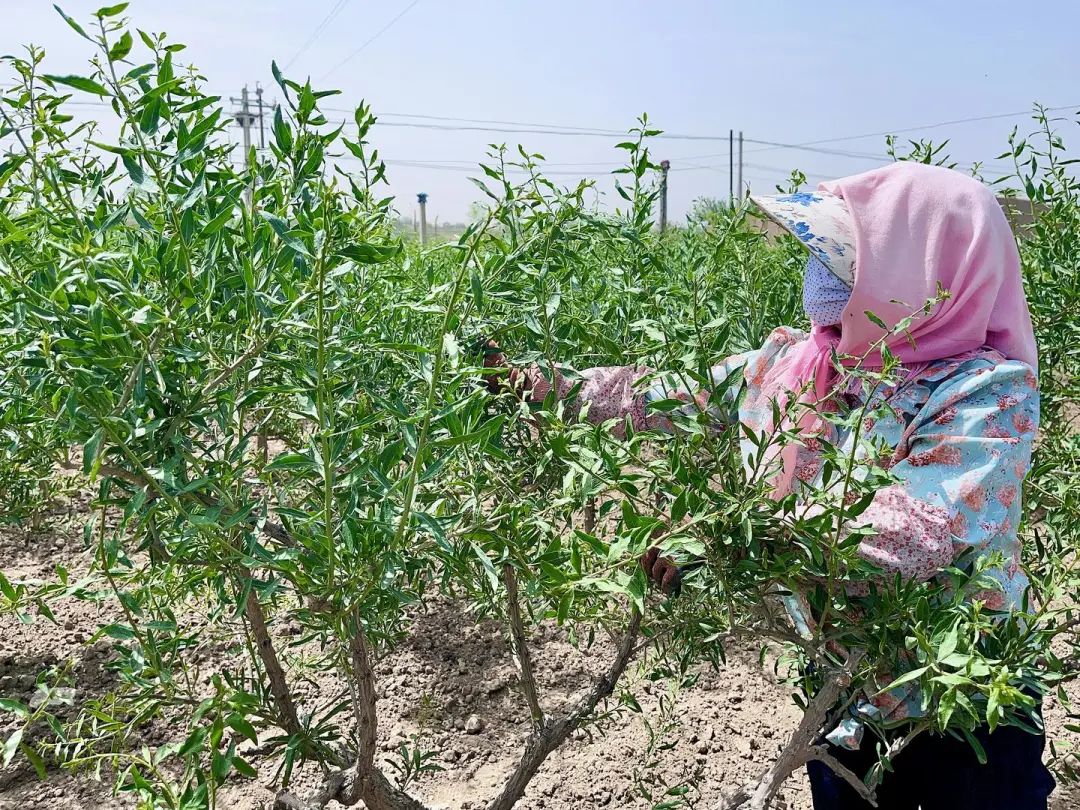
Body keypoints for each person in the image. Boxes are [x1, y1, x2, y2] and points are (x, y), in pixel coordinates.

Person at [483, 162, 1054, 809]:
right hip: (842, 690)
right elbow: (665, 393)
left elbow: (917, 530)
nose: (821, 277)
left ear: (923, 271)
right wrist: (539, 386)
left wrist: (736, 541)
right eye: (820, 255)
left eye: (843, 261)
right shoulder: (799, 361)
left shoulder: (985, 390)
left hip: (961, 700)